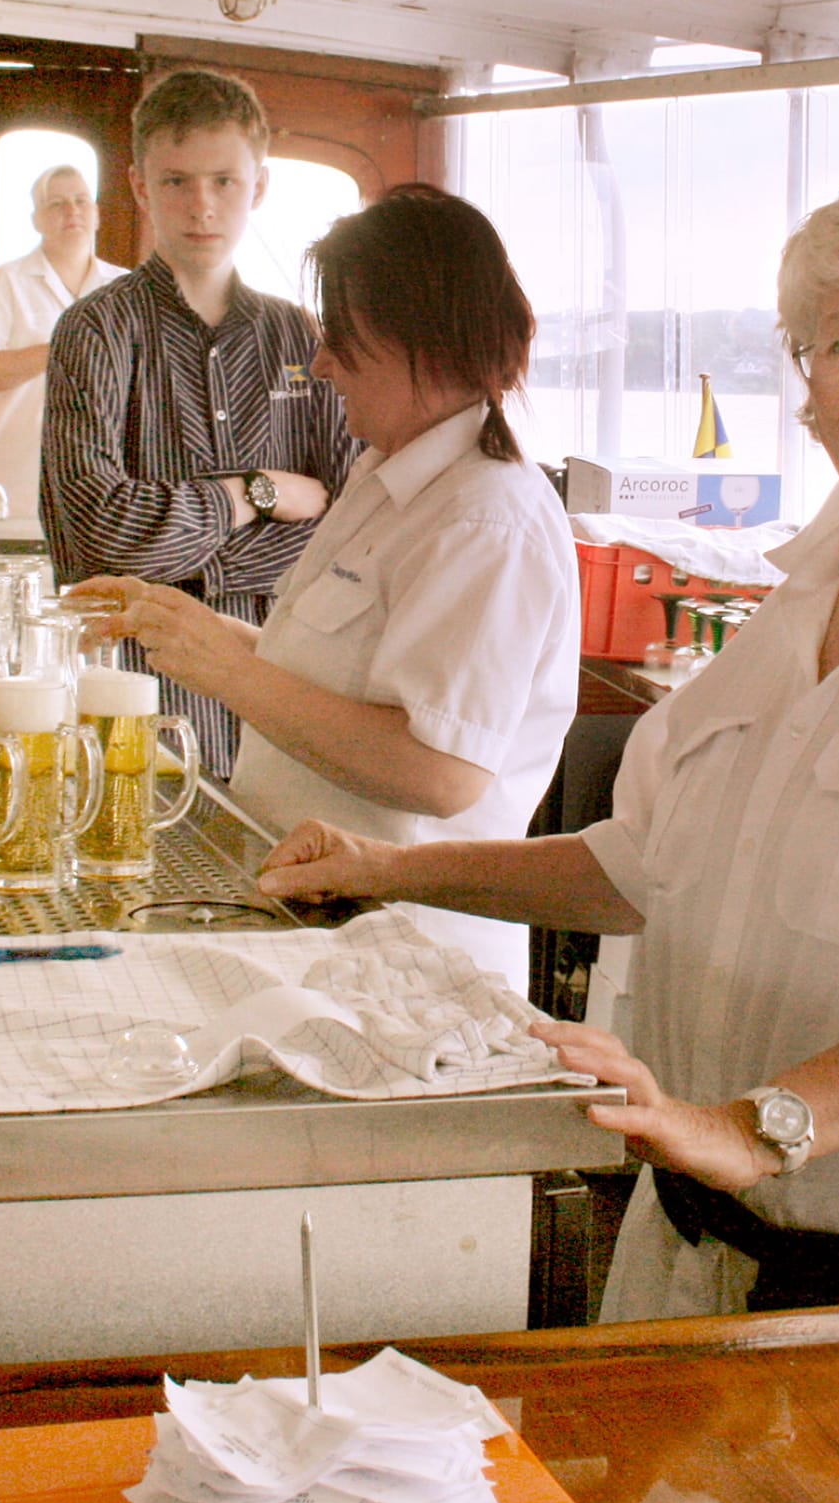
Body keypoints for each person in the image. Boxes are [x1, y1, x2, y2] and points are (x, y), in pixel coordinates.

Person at [256, 163, 839, 1441]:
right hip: (694, 1263)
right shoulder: (786, 607)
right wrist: (380, 867)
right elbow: (641, 866)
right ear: (806, 388)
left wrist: (758, 1130)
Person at [72, 185, 579, 989]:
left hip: (405, 959)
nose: (322, 365)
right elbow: (318, 678)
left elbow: (440, 775)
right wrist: (185, 624)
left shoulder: (486, 520)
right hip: (318, 926)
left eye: (344, 339)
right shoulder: (388, 477)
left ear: (429, 343)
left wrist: (225, 670)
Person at [40, 69, 356, 777]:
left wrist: (169, 577)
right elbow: (97, 535)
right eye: (177, 181)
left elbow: (347, 524)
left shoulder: (300, 335)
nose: (202, 206)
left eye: (225, 181)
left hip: (282, 694)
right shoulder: (94, 330)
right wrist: (255, 494)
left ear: (260, 187)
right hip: (131, 702)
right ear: (139, 185)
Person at [0, 164, 126, 519]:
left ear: (96, 215)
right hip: (9, 478)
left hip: (104, 483)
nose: (71, 211)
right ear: (36, 220)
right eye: (56, 204)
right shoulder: (3, 283)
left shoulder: (126, 289)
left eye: (81, 201)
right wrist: (59, 350)